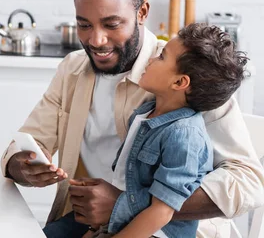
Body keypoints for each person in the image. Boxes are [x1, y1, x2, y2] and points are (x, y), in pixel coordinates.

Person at [1, 0, 264, 238]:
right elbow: (27, 144)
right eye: (84, 25)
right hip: (87, 221)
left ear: (142, 13)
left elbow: (248, 182)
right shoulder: (72, 69)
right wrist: (23, 167)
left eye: (111, 24)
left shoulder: (186, 73)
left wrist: (126, 204)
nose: (97, 40)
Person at [83, 23, 248, 237]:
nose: (151, 60)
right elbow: (126, 183)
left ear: (179, 82)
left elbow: (162, 211)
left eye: (161, 57)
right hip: (122, 222)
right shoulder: (146, 113)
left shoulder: (184, 136)